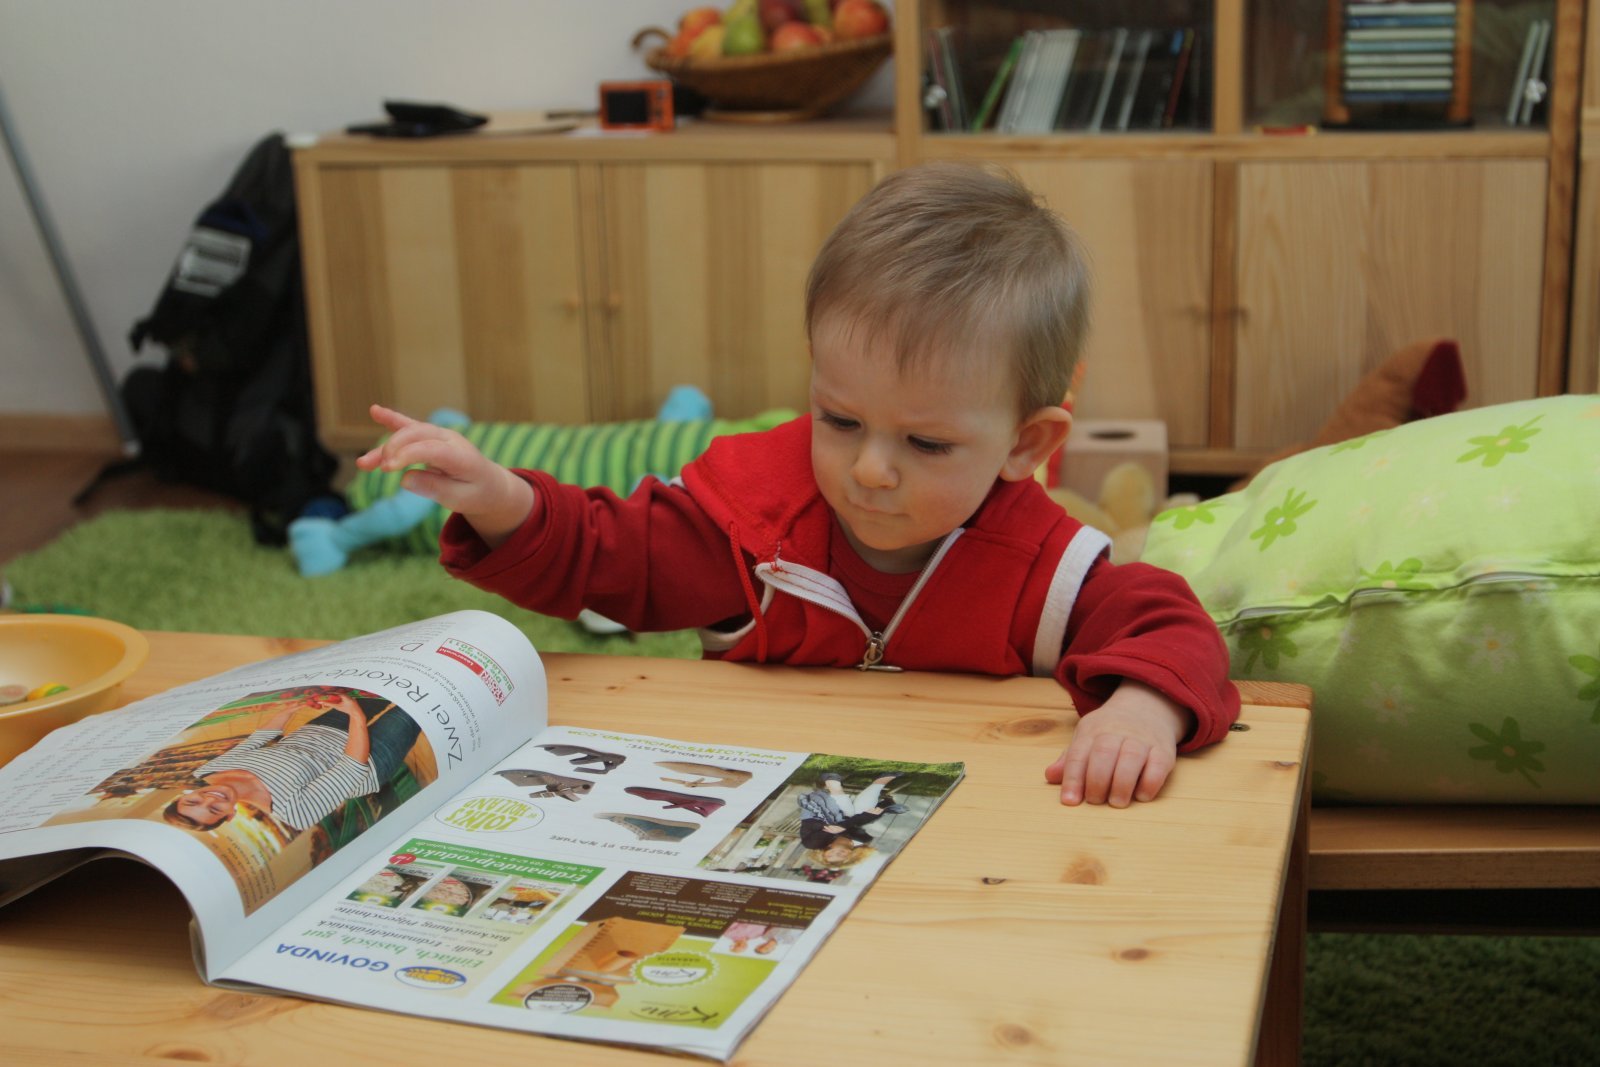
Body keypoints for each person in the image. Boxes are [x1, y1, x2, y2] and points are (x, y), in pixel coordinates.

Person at [356, 161, 1240, 808]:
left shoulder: (1046, 564)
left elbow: (1171, 624)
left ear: (1026, 443)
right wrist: (498, 498)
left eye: (926, 442)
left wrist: (1142, 708)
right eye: (840, 419)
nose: (869, 469)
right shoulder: (745, 520)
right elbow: (602, 553)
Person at [162, 686, 421, 832]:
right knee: (415, 705)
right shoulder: (294, 814)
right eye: (215, 810)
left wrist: (290, 708)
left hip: (321, 730)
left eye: (194, 801)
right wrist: (355, 715)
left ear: (185, 794)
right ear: (230, 816)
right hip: (370, 760)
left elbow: (257, 740)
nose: (210, 799)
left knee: (383, 686)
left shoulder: (207, 772)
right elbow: (351, 768)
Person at [796, 772, 904, 849]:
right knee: (857, 813)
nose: (839, 853)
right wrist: (871, 814)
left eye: (831, 855)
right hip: (847, 815)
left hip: (819, 811)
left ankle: (833, 785)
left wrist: (845, 824)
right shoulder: (859, 839)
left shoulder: (813, 844)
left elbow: (832, 824)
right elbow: (853, 822)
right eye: (843, 857)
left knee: (844, 816)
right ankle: (880, 781)